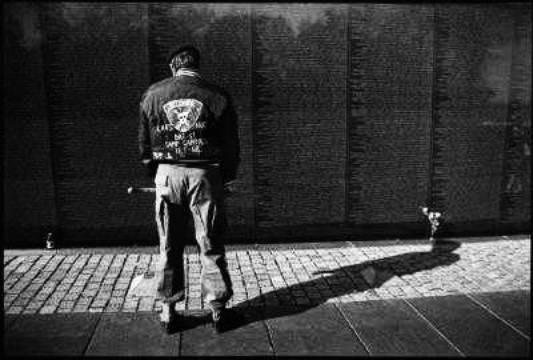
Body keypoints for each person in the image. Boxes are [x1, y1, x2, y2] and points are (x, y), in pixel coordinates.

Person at [138, 45, 240, 333]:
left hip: (167, 175)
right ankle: (218, 310)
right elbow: (231, 144)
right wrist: (226, 177)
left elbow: (145, 145)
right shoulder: (217, 96)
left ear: (173, 67)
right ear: (197, 65)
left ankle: (168, 312)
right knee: (210, 243)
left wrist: (156, 172)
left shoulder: (152, 94)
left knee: (168, 245)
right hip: (205, 175)